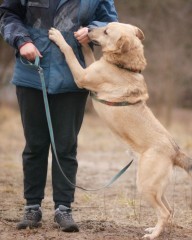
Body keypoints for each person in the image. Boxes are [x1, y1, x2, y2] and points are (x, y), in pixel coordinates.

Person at [0, 0, 118, 232]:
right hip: (32, 72)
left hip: (74, 78)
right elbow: (7, 15)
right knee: (35, 145)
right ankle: (32, 207)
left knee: (66, 146)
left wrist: (91, 32)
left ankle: (63, 209)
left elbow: (110, 24)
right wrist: (22, 41)